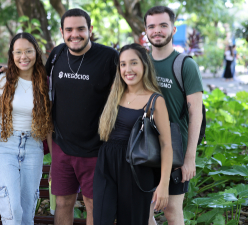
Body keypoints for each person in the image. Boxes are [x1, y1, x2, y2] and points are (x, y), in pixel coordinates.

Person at [44, 8, 118, 225]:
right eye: (69, 29)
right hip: (62, 147)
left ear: (90, 30)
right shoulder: (57, 54)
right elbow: (35, 79)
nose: (74, 34)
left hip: (96, 149)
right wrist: (4, 69)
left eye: (80, 29)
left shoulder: (109, 57)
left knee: (93, 204)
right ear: (61, 31)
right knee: (63, 203)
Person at [93, 43, 173, 225]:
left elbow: (166, 145)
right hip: (106, 162)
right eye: (122, 64)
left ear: (144, 65)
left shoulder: (155, 100)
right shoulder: (115, 93)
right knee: (101, 220)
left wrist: (163, 184)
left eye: (133, 63)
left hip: (136, 167)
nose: (127, 69)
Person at [144, 6, 203, 225]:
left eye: (162, 25)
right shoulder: (140, 63)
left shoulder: (185, 65)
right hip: (145, 147)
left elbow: (196, 113)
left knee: (171, 211)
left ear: (173, 28)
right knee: (144, 211)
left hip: (177, 151)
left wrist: (190, 157)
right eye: (151, 26)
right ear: (146, 31)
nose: (157, 30)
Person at [0, 32, 52, 225]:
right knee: (12, 208)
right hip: (5, 145)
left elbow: (48, 125)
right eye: (18, 52)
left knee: (26, 214)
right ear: (11, 55)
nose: (23, 56)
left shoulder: (45, 84)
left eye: (28, 51)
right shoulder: (2, 82)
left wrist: (56, 160)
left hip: (33, 146)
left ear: (36, 53)